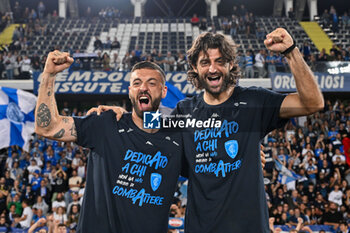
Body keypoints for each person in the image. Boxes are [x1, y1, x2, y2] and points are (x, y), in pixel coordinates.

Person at [93, 28, 324, 232]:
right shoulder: (185, 111)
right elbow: (148, 125)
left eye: (220, 61)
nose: (213, 68)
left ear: (231, 64)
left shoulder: (254, 102)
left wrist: (291, 51)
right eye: (205, 62)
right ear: (195, 67)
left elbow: (313, 103)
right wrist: (125, 114)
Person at [34, 53, 184, 233]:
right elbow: (47, 127)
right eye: (137, 83)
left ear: (164, 91)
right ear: (130, 91)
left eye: (152, 83)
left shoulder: (177, 138)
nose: (143, 88)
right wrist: (48, 76)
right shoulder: (106, 123)